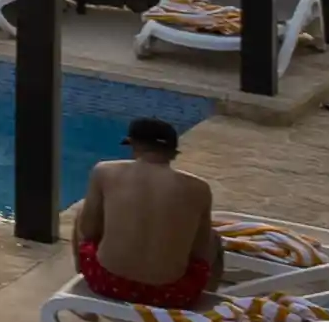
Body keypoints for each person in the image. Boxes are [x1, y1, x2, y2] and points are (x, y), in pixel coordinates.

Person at [70, 114, 224, 307]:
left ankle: (82, 291)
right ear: (173, 153)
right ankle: (203, 302)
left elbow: (89, 231)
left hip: (106, 282)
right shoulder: (199, 187)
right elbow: (199, 251)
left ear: (134, 146)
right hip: (173, 294)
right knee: (214, 238)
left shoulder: (104, 171)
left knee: (82, 213)